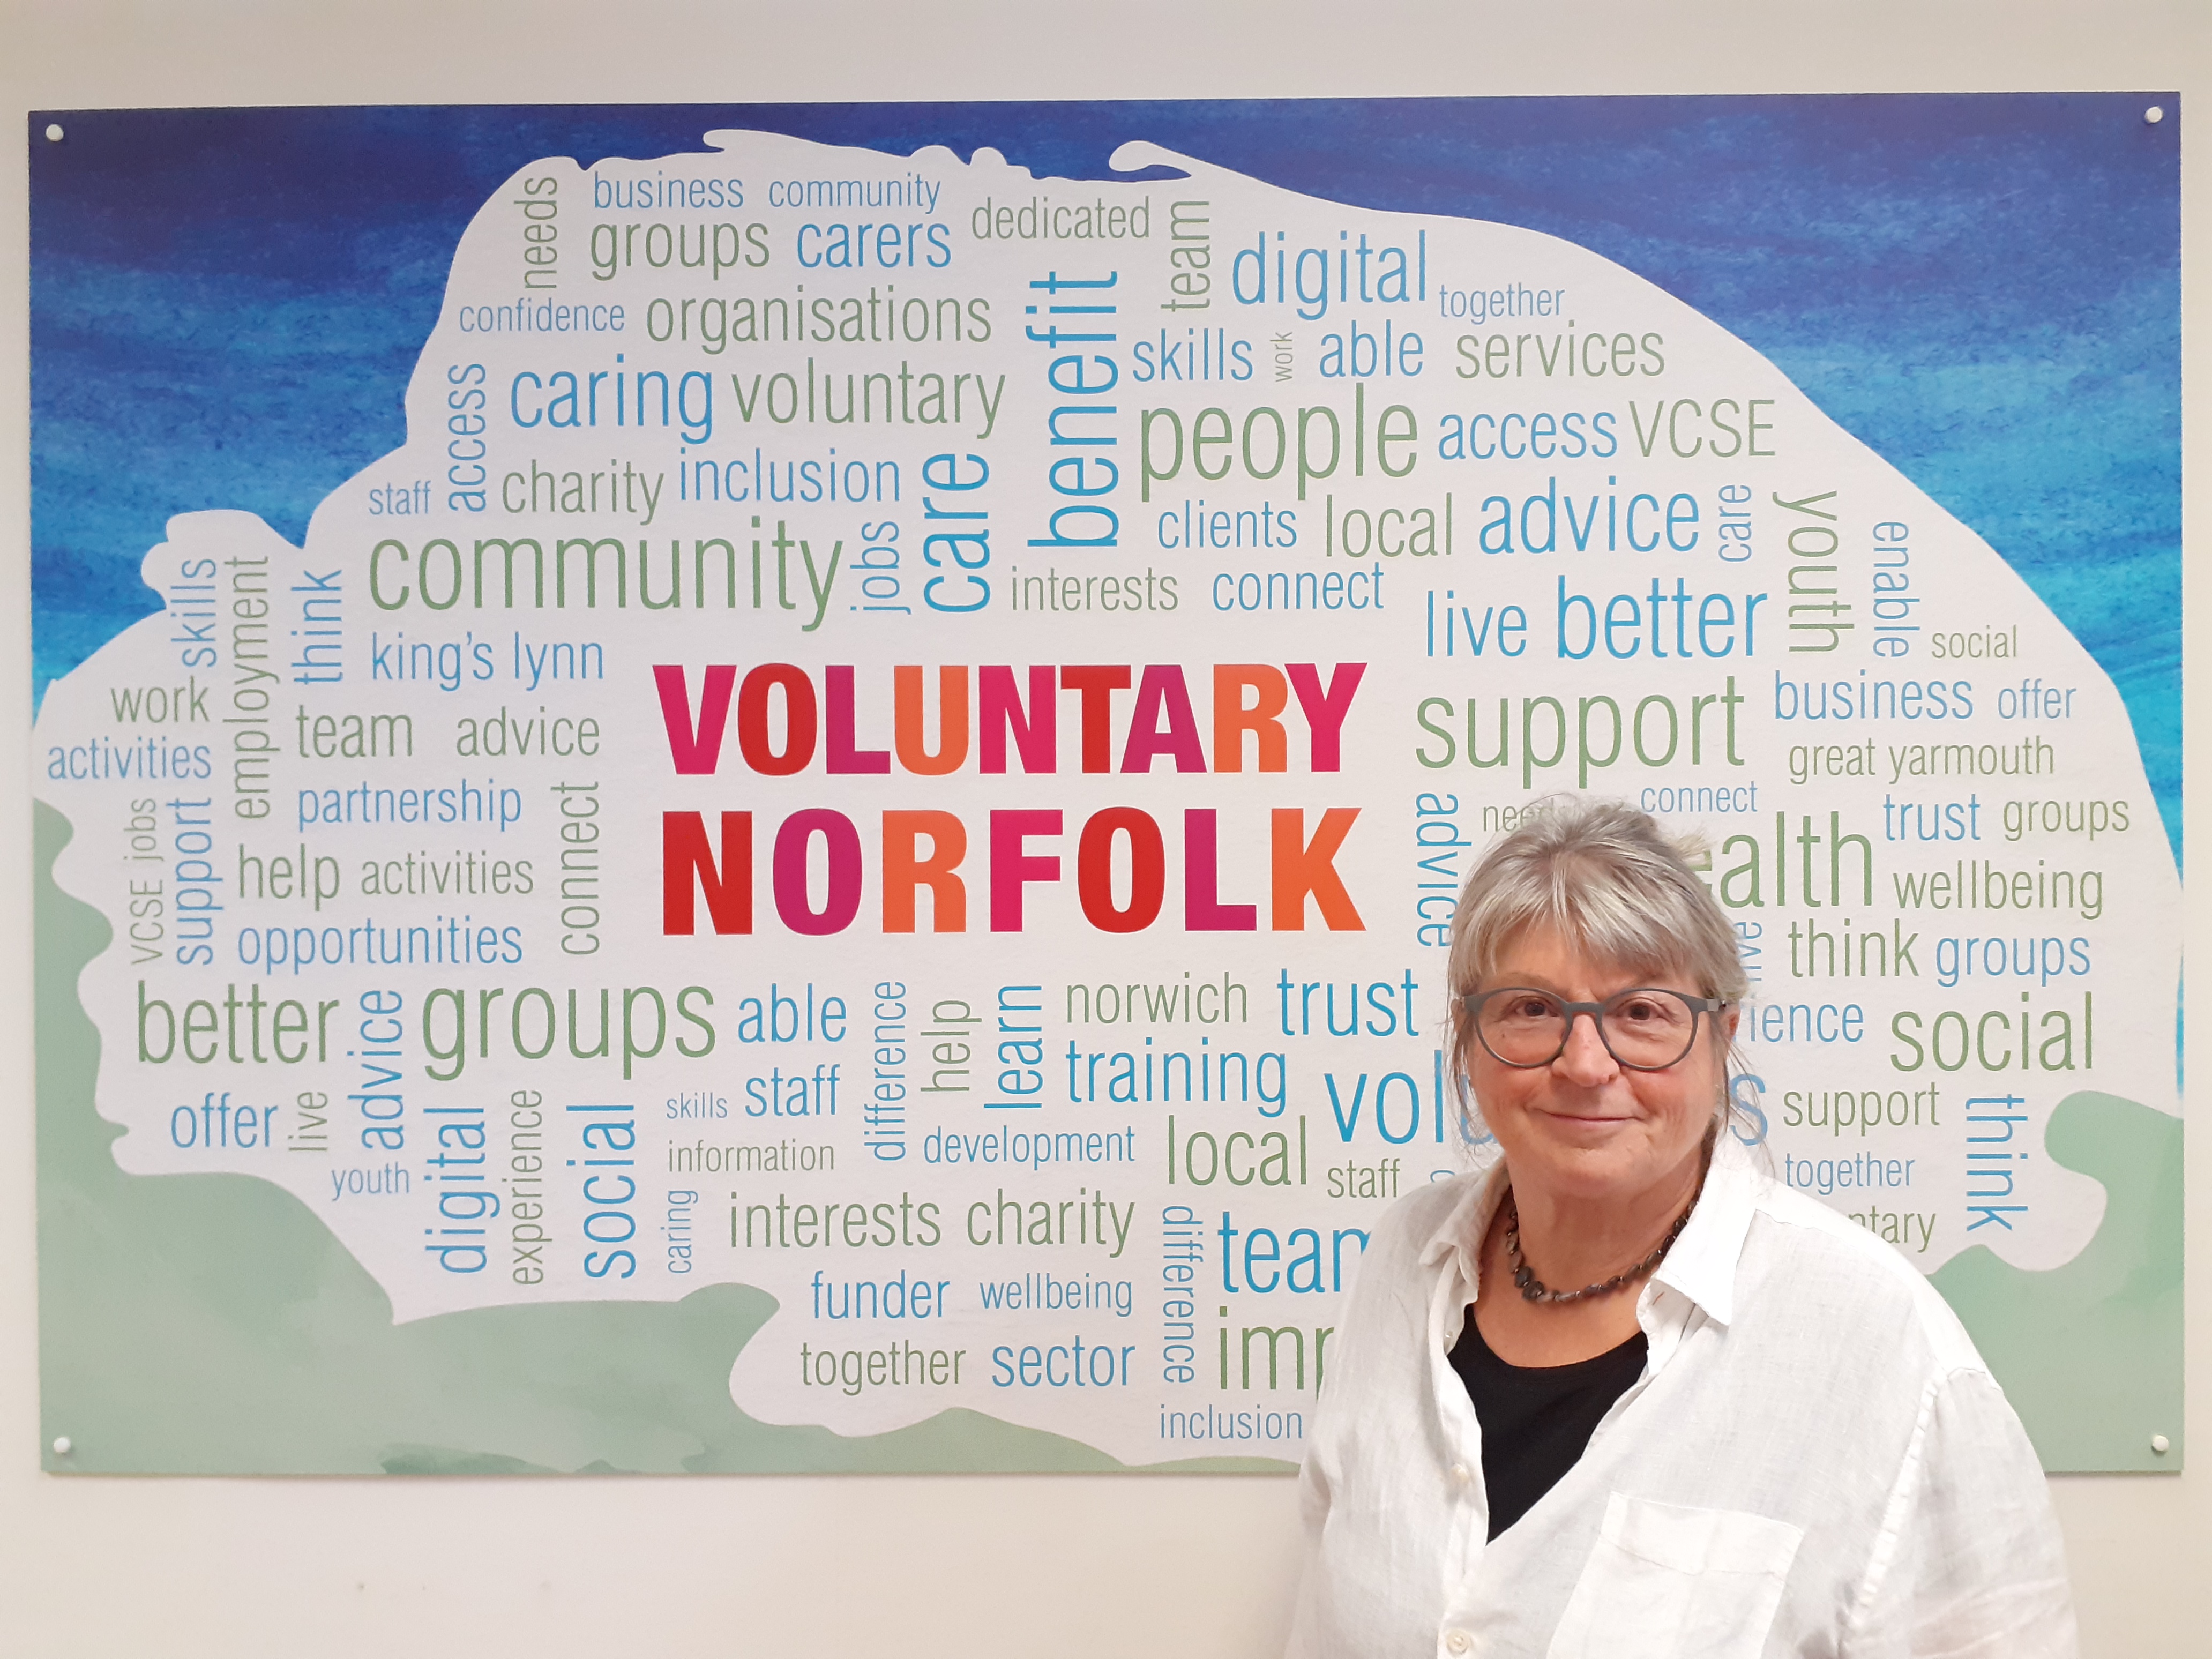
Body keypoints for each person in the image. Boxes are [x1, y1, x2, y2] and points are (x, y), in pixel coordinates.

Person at [1286, 796, 2075, 1657]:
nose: (1585, 1065)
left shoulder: (1884, 1347)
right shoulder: (1404, 1261)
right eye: (1531, 1010)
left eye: (1643, 1014)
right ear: (1469, 1041)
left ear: (1722, 1037)